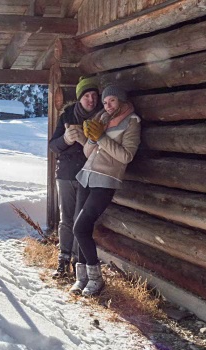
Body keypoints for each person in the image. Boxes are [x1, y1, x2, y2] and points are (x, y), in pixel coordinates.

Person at [69, 84, 142, 296]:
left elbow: (127, 156)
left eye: (111, 101)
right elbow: (88, 152)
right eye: (105, 102)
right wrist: (89, 138)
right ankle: (82, 278)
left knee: (80, 228)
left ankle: (96, 278)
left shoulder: (132, 121)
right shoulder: (102, 118)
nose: (107, 105)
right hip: (87, 175)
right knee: (80, 227)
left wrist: (101, 137)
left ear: (120, 100)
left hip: (106, 179)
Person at [48, 76, 102, 278]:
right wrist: (65, 139)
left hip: (89, 174)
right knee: (66, 219)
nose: (91, 100)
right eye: (87, 96)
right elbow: (53, 146)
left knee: (81, 221)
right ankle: (63, 260)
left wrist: (83, 141)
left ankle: (80, 262)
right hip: (66, 173)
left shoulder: (101, 118)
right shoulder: (67, 115)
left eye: (94, 95)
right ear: (80, 98)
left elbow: (102, 149)